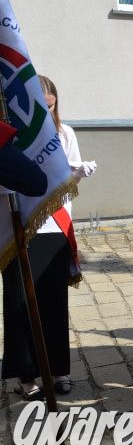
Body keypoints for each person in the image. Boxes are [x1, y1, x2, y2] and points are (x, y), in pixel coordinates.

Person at [3, 76, 97, 400]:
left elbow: (67, 182)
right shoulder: (12, 136)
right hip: (19, 229)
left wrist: (78, 173)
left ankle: (59, 370)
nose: (47, 108)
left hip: (54, 226)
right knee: (20, 306)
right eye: (41, 103)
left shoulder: (64, 133)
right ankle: (26, 376)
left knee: (55, 302)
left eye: (52, 103)